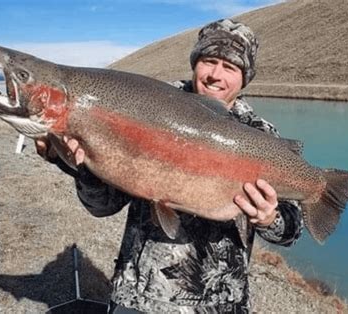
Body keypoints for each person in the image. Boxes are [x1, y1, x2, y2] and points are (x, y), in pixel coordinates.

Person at [37, 19, 303, 313]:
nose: (216, 75)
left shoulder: (262, 137)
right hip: (137, 299)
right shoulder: (146, 109)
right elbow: (102, 206)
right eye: (209, 61)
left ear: (244, 78)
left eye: (230, 68)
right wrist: (79, 164)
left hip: (221, 305)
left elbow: (292, 229)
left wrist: (270, 219)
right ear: (194, 63)